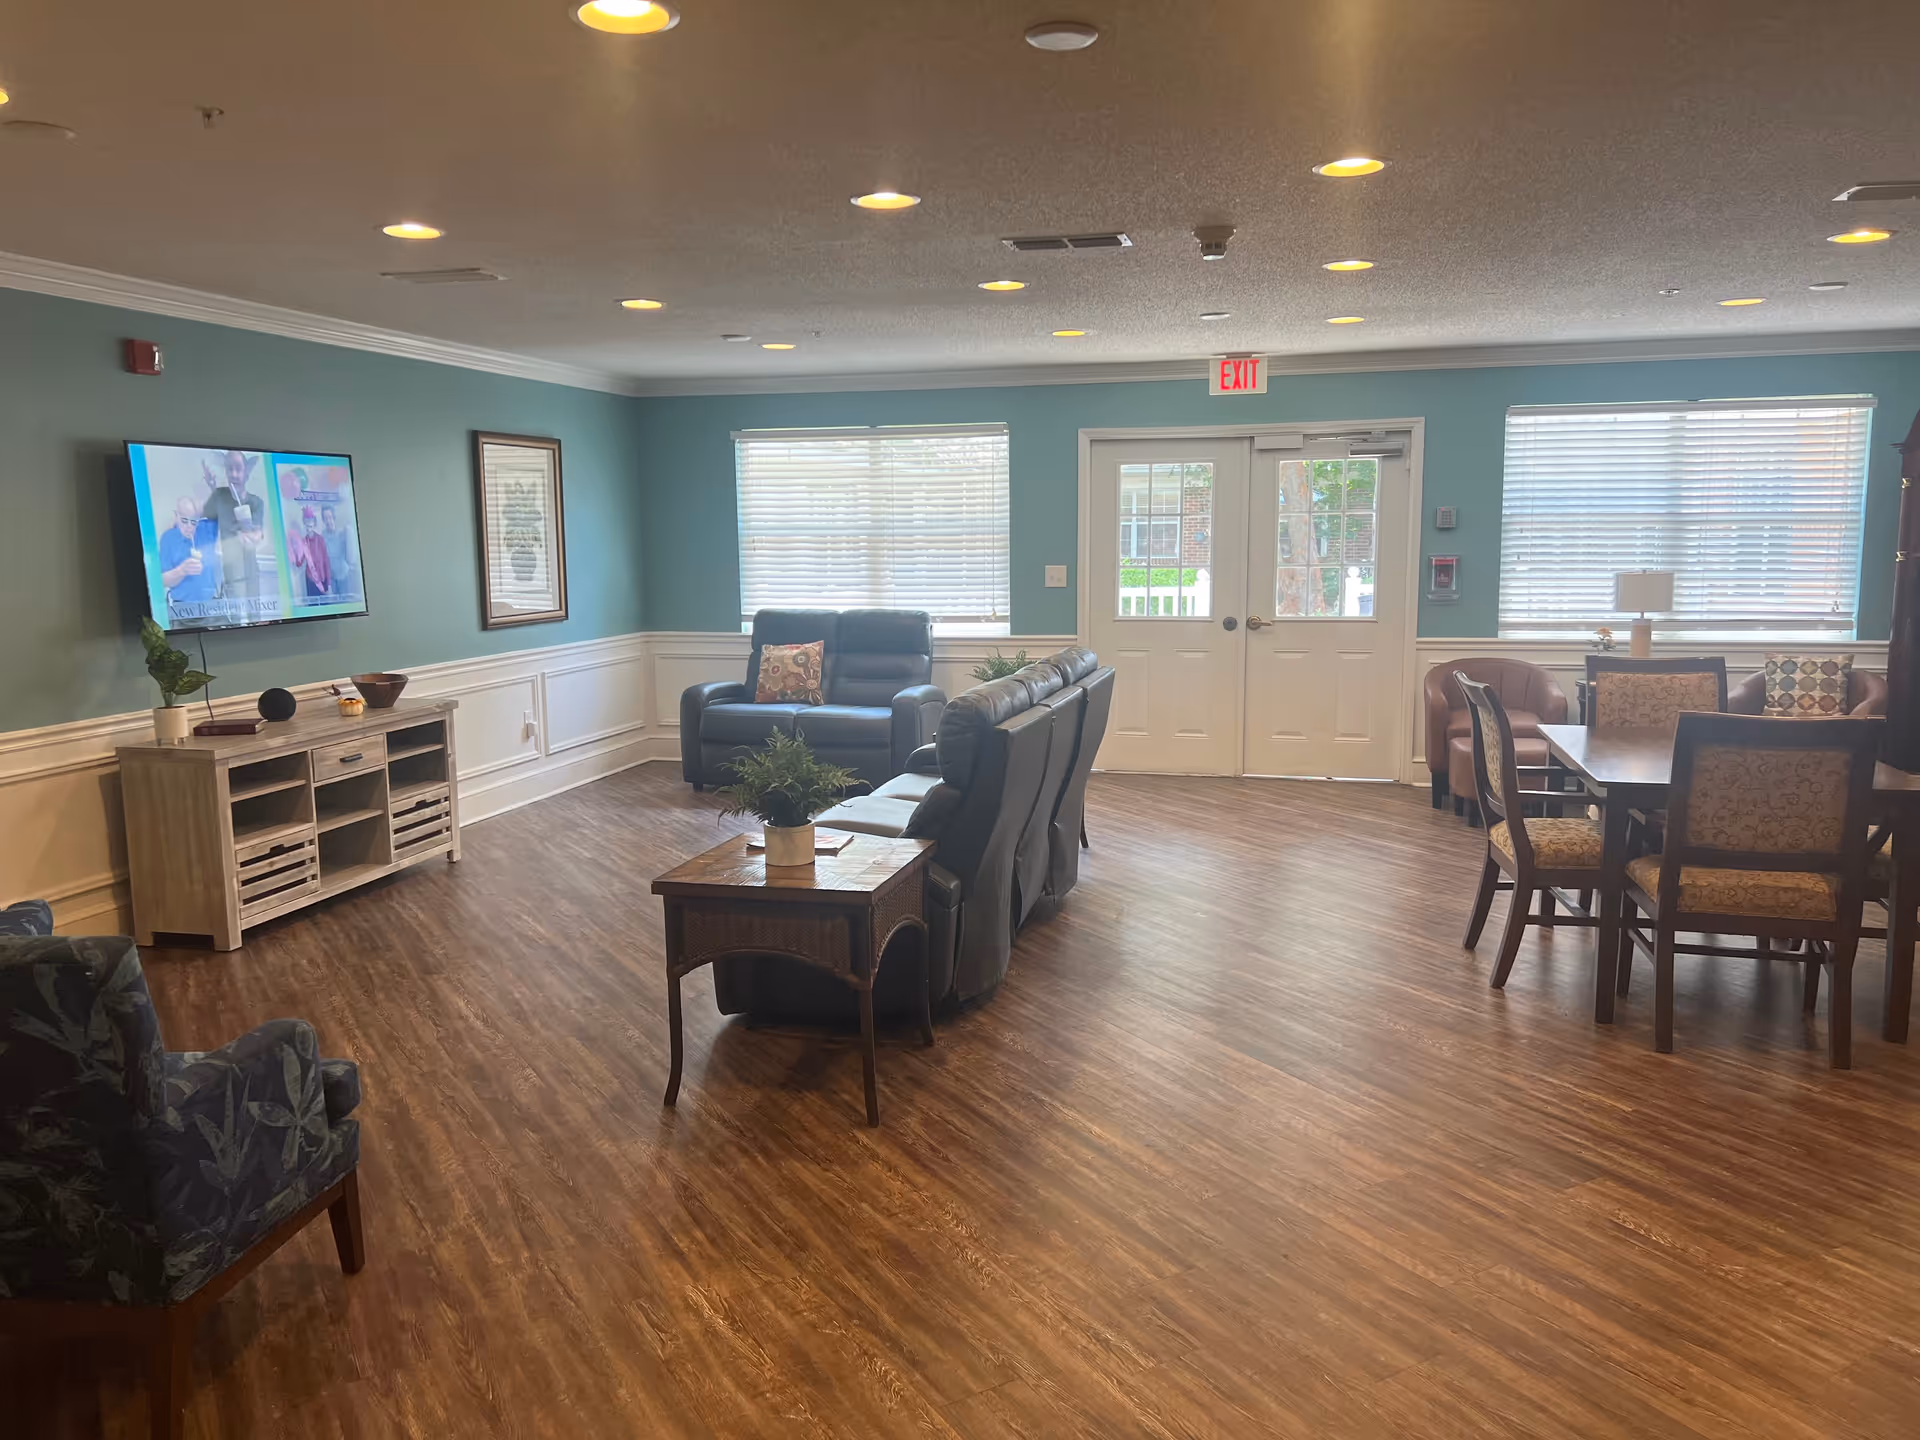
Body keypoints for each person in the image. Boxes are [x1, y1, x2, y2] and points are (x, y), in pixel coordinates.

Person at [201, 450, 268, 612]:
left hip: (250, 567)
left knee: (254, 614)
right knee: (234, 615)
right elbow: (206, 519)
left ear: (247, 473)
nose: (234, 474)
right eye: (229, 469)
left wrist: (254, 536)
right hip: (229, 569)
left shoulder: (256, 502)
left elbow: (258, 533)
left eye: (238, 469)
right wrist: (211, 487)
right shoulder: (219, 495)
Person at [156, 494, 221, 622]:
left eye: (193, 522)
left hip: (210, 606)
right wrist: (181, 571)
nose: (189, 527)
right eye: (184, 521)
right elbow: (162, 581)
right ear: (176, 517)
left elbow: (221, 510)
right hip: (181, 608)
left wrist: (211, 485)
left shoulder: (205, 530)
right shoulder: (168, 538)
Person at [288, 505, 333, 601]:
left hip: (323, 580)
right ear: (304, 523)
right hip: (311, 581)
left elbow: (326, 561)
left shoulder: (320, 540)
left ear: (314, 523)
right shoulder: (303, 542)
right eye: (307, 522)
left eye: (311, 522)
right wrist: (294, 549)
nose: (309, 525)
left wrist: (328, 583)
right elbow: (299, 563)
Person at [320, 503, 360, 602]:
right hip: (331, 579)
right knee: (333, 605)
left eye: (330, 517)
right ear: (323, 520)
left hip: (343, 576)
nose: (328, 520)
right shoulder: (321, 537)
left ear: (334, 517)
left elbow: (351, 556)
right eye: (325, 518)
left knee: (345, 603)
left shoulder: (342, 534)